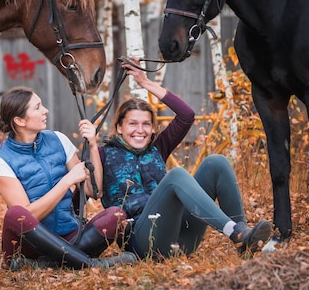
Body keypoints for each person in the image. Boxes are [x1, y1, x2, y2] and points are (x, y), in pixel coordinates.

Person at [98, 58, 272, 260]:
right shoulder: (103, 154)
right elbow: (85, 192)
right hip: (144, 244)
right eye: (132, 124)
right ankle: (235, 232)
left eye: (146, 124)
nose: (140, 130)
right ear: (119, 127)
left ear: (153, 128)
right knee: (177, 175)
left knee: (216, 162)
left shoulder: (157, 147)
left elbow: (186, 115)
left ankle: (243, 239)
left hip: (181, 240)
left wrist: (145, 83)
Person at [0, 86, 136, 270]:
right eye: (37, 107)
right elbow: (28, 215)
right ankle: (89, 264)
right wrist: (66, 181)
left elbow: (94, 190)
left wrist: (92, 145)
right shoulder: (2, 160)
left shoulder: (58, 140)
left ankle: (47, 263)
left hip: (69, 235)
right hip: (29, 245)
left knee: (117, 215)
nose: (45, 110)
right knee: (15, 214)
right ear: (19, 120)